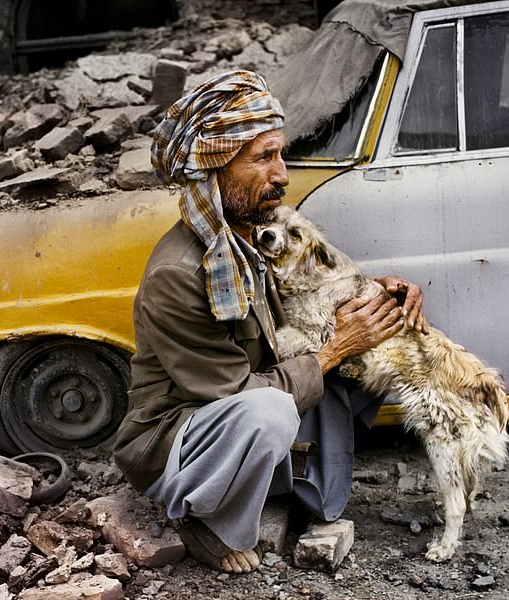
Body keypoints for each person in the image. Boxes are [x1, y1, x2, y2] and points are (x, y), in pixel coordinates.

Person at [112, 70, 427, 573]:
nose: (281, 175)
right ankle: (203, 516)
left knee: (372, 338)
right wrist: (333, 350)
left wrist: (374, 293)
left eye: (280, 155)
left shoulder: (250, 237)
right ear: (214, 168)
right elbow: (235, 394)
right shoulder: (180, 272)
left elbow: (307, 298)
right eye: (262, 158)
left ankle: (290, 479)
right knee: (271, 411)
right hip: (178, 440)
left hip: (240, 411)